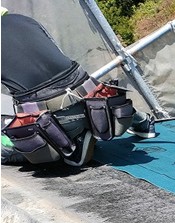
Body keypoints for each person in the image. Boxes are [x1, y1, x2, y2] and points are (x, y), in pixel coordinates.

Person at [1, 9, 157, 167]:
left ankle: (74, 139)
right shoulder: (25, 20)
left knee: (6, 145)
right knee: (79, 85)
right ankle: (142, 121)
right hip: (92, 96)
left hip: (51, 118)